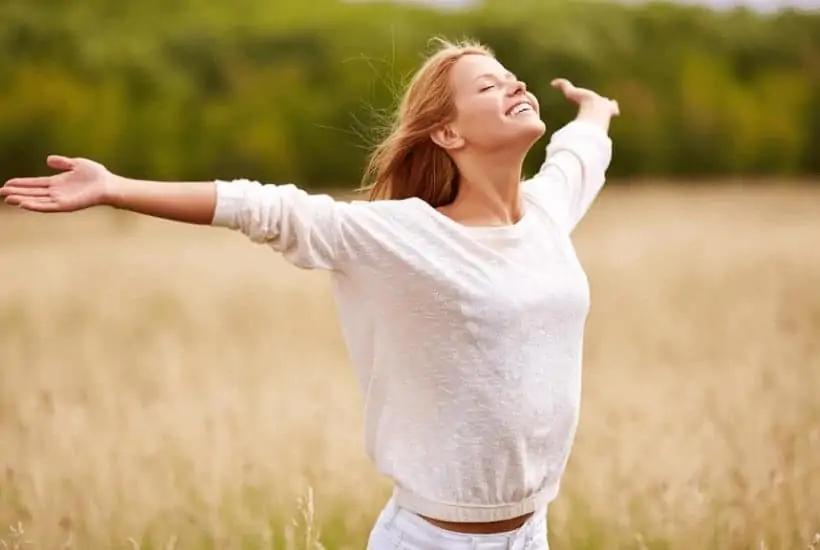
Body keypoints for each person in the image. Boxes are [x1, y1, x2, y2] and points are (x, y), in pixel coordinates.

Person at [2, 38, 619, 550]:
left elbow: (578, 156)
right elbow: (267, 207)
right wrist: (115, 187)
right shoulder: (403, 235)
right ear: (448, 135)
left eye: (513, 78)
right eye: (488, 86)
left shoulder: (544, 213)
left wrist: (596, 111)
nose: (514, 86)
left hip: (532, 534)